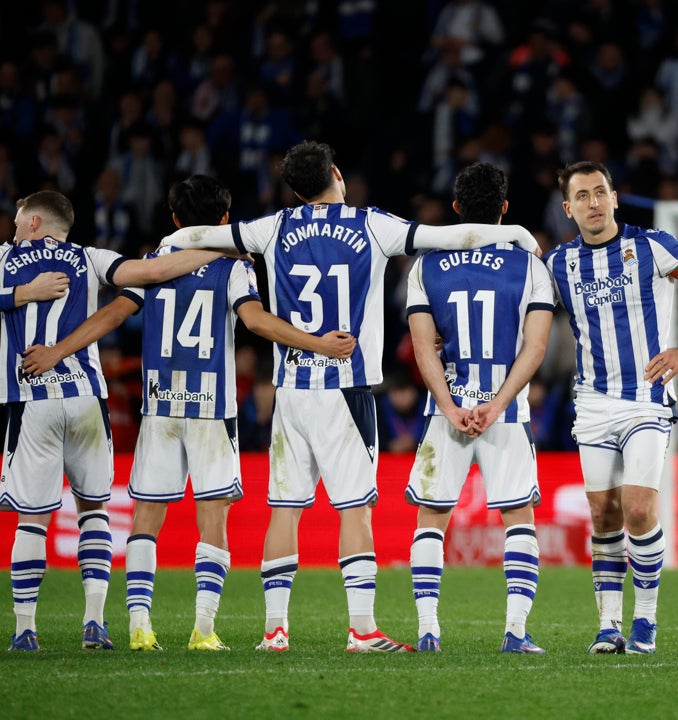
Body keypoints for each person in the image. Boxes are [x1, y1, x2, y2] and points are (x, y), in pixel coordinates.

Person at [159, 140, 540, 654]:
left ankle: (275, 631)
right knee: (354, 510)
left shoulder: (271, 227)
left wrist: (172, 240)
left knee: (285, 509)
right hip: (347, 386)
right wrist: (513, 230)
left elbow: (203, 234)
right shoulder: (372, 224)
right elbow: (446, 236)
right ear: (337, 174)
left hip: (291, 388)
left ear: (295, 188)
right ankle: (361, 628)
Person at [19, 176, 356, 652]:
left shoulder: (154, 263)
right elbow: (256, 320)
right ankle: (202, 629)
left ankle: (139, 625)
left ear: (175, 219)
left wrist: (57, 351)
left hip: (160, 408)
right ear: (224, 220)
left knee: (146, 519)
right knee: (212, 517)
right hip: (212, 410)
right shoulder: (232, 264)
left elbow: (114, 313)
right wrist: (319, 343)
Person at [0, 190, 234, 652]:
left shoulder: (4, 257)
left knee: (33, 518)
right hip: (87, 399)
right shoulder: (89, 257)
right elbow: (149, 272)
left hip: (32, 400)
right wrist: (221, 248)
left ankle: (26, 629)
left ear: (32, 222)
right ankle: (95, 623)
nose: (11, 226)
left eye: (16, 219)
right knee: (94, 511)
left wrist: (20, 294)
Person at [545, 161, 678, 654]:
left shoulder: (652, 246)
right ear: (568, 208)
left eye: (600, 192)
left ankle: (644, 622)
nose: (593, 202)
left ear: (615, 197)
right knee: (603, 514)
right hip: (593, 403)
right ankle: (608, 625)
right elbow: (526, 318)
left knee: (639, 508)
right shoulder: (557, 265)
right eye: (582, 196)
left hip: (646, 397)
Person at [404, 162, 554, 654]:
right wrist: (496, 405)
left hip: (446, 409)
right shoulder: (531, 265)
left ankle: (428, 630)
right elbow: (534, 349)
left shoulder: (424, 265)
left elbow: (424, 349)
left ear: (455, 211)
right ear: (505, 210)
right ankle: (514, 631)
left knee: (431, 516)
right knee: (518, 518)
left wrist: (450, 407)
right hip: (505, 412)